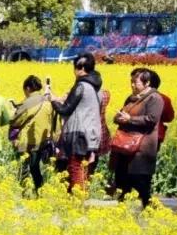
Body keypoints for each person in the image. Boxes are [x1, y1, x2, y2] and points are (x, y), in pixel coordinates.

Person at [110, 69, 163, 208]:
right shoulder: (131, 98)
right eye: (131, 82)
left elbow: (151, 119)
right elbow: (122, 114)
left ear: (147, 83)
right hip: (124, 146)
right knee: (121, 179)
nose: (132, 85)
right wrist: (118, 118)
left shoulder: (155, 98)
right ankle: (121, 211)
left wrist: (130, 119)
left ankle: (150, 210)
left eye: (135, 82)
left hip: (141, 149)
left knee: (140, 182)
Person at [51, 53, 103, 194]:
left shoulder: (81, 86)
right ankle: (78, 200)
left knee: (75, 169)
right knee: (83, 170)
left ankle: (77, 202)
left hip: (78, 134)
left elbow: (65, 110)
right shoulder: (97, 88)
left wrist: (52, 99)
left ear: (79, 68)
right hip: (91, 134)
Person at [10, 76, 57, 194]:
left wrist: (12, 111)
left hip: (26, 141)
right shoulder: (47, 102)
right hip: (43, 140)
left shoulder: (28, 103)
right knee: (35, 168)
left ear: (27, 88)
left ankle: (24, 192)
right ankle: (39, 191)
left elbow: (16, 121)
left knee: (23, 168)